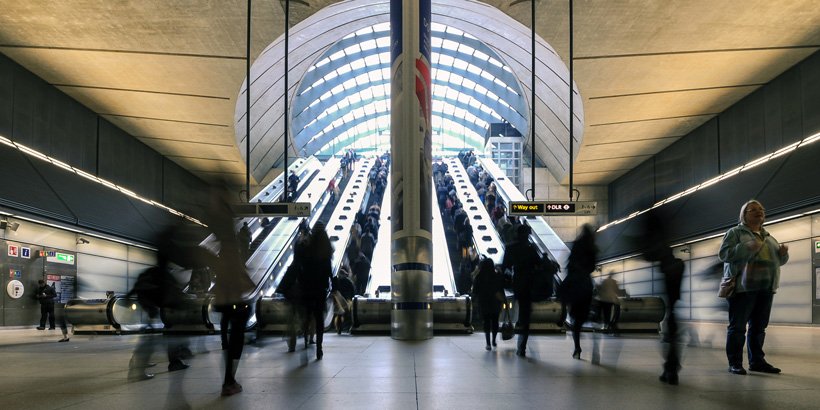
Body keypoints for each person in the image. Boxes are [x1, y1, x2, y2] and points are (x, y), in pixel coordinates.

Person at [719, 199, 789, 375]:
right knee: (738, 327)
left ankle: (757, 361)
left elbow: (778, 262)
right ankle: (735, 363)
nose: (759, 212)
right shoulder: (735, 233)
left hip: (766, 287)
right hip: (742, 288)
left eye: (761, 209)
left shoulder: (769, 237)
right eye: (754, 209)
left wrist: (783, 255)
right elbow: (724, 254)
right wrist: (746, 247)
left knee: (759, 328)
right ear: (744, 215)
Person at [501, 224, 541, 357]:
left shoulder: (510, 248)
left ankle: (521, 339)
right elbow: (539, 265)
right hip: (529, 285)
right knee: (526, 315)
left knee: (522, 312)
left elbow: (505, 267)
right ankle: (522, 346)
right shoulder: (531, 249)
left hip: (518, 285)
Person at [562, 224, 597, 360]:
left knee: (575, 319)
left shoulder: (577, 245)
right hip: (586, 284)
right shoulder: (592, 248)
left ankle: (577, 347)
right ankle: (588, 319)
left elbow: (569, 264)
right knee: (582, 315)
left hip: (575, 284)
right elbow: (592, 267)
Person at [300, 221, 333, 360]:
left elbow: (302, 267)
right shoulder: (326, 250)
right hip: (321, 289)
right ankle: (319, 348)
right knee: (319, 318)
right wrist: (333, 285)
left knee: (308, 314)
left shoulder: (308, 248)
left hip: (308, 288)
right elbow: (330, 272)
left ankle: (305, 338)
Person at [472, 258, 506, 351]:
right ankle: (494, 340)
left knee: (486, 323)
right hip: (495, 302)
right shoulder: (496, 276)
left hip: (484, 302)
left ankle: (488, 343)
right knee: (495, 322)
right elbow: (501, 287)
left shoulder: (479, 277)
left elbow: (475, 291)